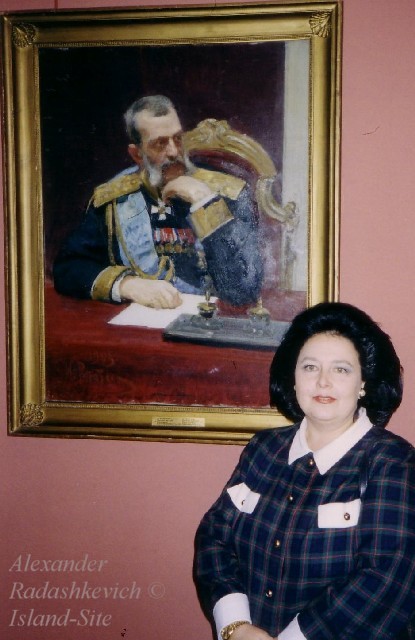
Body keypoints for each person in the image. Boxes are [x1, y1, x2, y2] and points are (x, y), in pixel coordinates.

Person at [194, 301, 415, 640]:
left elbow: (386, 577)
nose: (323, 382)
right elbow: (214, 538)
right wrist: (235, 625)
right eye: (310, 367)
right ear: (294, 379)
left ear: (363, 383)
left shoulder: (394, 462)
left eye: (341, 369)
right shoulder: (263, 449)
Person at [53, 95, 263, 309]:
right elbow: (69, 267)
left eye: (178, 139)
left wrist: (205, 202)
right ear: (137, 154)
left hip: (210, 320)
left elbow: (245, 288)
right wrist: (127, 285)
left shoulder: (229, 193)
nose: (174, 152)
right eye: (160, 144)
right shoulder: (114, 200)